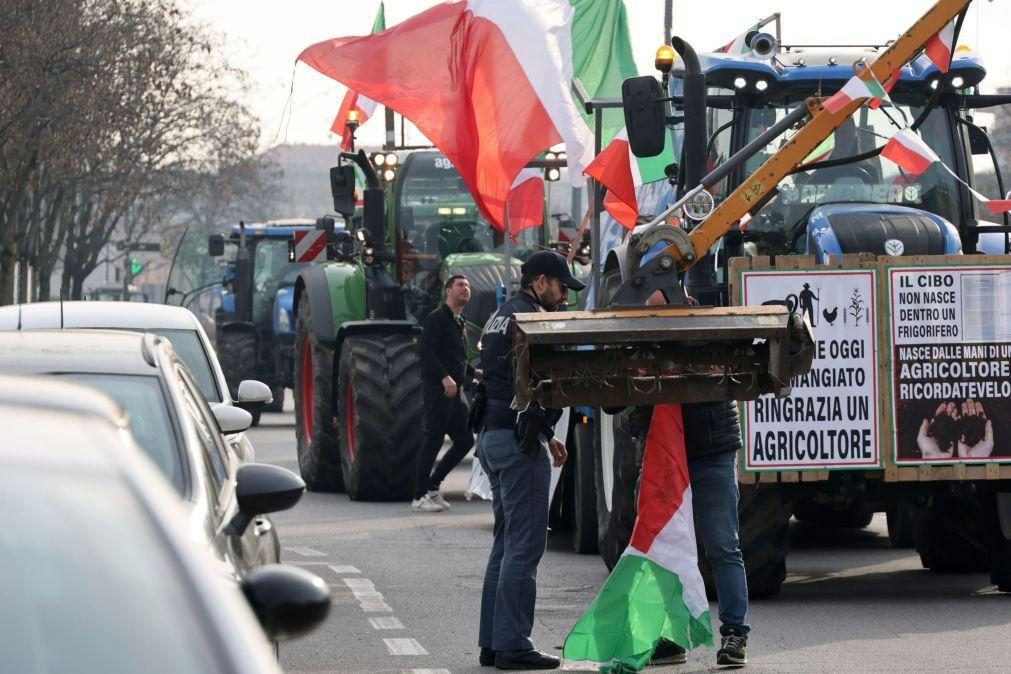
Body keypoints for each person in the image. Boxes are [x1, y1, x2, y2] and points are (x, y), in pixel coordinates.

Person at [475, 251, 583, 670]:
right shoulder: (532, 318)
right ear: (540, 281)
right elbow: (546, 380)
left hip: (493, 436)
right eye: (559, 287)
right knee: (525, 545)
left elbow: (507, 382)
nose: (562, 296)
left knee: (505, 544)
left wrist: (546, 434)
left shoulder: (501, 314)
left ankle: (492, 641)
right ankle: (513, 645)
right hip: (518, 445)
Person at [413, 274, 478, 513]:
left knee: (465, 440)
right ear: (448, 291)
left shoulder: (458, 321)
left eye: (467, 285)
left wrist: (474, 372)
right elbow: (427, 352)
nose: (466, 289)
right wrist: (444, 377)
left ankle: (433, 486)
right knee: (434, 438)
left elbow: (455, 358)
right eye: (460, 285)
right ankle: (419, 496)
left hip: (456, 389)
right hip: (438, 389)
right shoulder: (437, 318)